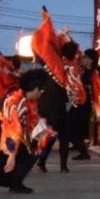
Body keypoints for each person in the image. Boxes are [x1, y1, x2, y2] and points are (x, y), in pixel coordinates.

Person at [0, 69, 53, 195]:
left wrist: (45, 132)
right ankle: (10, 183)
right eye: (41, 89)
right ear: (34, 89)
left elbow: (31, 127)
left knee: (41, 138)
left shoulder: (20, 98)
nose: (42, 92)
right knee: (35, 150)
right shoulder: (18, 103)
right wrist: (11, 156)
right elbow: (13, 131)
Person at [32, 9, 84, 173]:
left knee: (45, 135)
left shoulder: (54, 63)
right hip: (63, 107)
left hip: (46, 105)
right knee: (63, 137)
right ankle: (63, 165)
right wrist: (66, 36)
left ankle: (40, 162)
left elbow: (43, 49)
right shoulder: (75, 69)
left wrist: (46, 21)